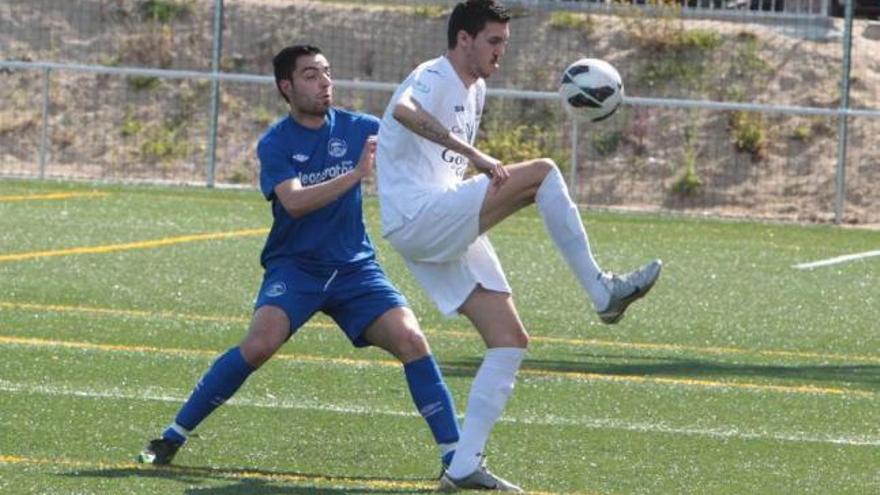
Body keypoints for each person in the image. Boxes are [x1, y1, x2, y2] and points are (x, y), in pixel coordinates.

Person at [375, 1, 662, 491]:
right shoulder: (435, 74)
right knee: (544, 173)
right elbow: (403, 111)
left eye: (504, 43)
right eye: (493, 41)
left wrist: (472, 173)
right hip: (417, 215)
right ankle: (601, 292)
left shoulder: (477, 88)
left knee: (509, 340)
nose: (500, 52)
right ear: (463, 39)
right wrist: (476, 156)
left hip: (434, 218)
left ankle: (463, 464)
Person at [137, 45, 461, 473]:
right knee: (258, 345)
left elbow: (414, 137)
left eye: (327, 73)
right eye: (311, 75)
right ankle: (171, 438)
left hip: (355, 269)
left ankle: (457, 457)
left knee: (413, 341)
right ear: (286, 87)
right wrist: (355, 175)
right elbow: (294, 203)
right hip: (296, 267)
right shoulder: (275, 143)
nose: (325, 82)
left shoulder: (361, 128)